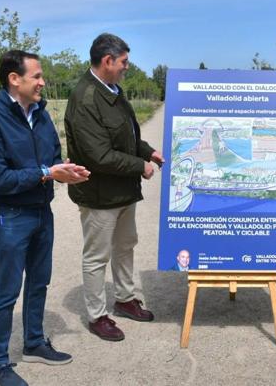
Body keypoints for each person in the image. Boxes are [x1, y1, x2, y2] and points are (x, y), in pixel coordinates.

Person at [0, 50, 90, 386]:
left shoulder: (41, 115)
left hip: (41, 211)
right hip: (10, 215)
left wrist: (64, 172)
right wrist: (44, 172)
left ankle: (35, 343)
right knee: (7, 290)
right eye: (36, 76)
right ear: (14, 78)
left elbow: (51, 160)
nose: (42, 81)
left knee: (39, 281)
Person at [65, 33, 164, 342]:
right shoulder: (86, 99)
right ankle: (97, 316)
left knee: (125, 246)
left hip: (122, 192)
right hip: (99, 196)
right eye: (124, 62)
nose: (127, 67)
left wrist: (148, 152)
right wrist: (141, 166)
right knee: (97, 257)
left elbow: (127, 136)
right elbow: (100, 156)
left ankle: (125, 299)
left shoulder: (113, 91)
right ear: (107, 61)